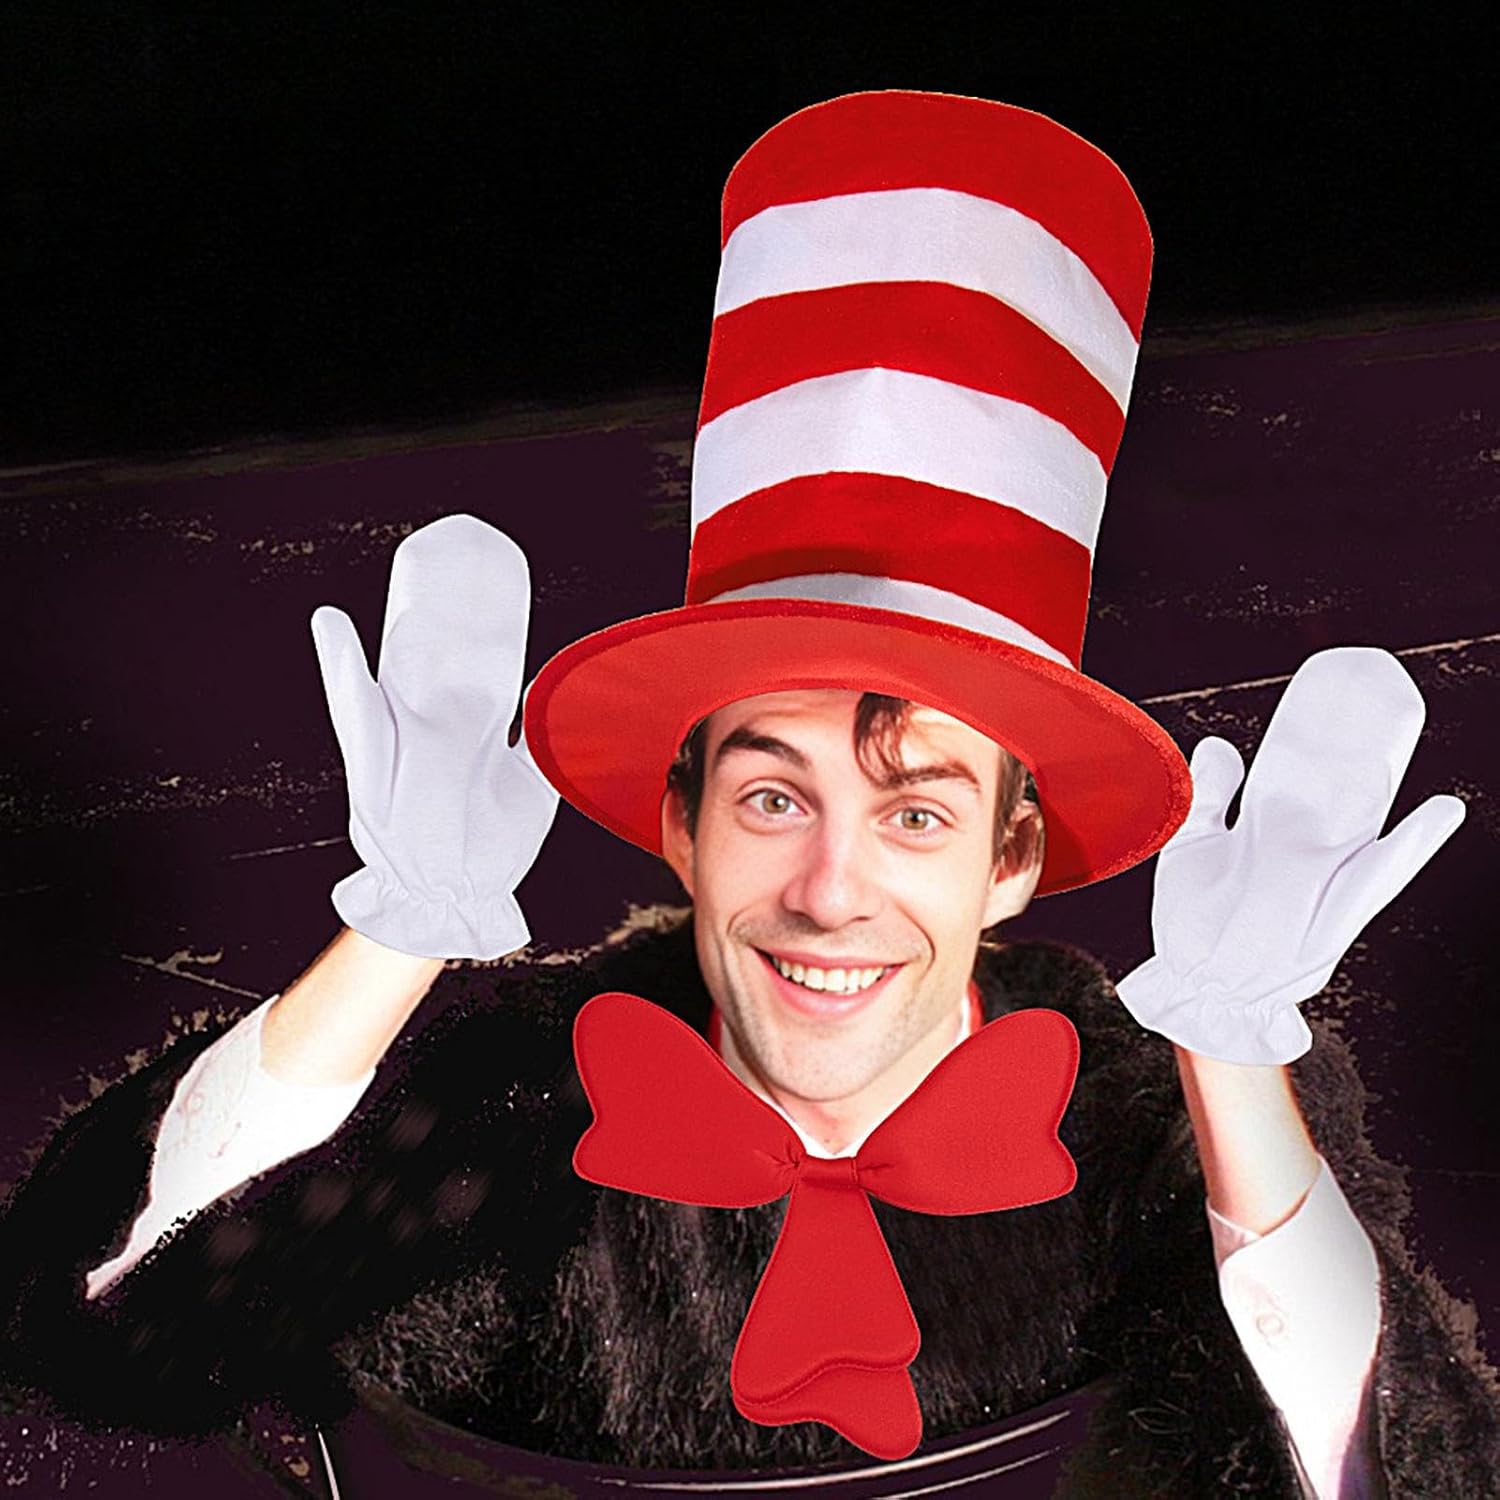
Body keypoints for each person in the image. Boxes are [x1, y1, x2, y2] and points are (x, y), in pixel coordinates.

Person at [2, 91, 1497, 1499]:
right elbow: (108, 1338)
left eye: (916, 814)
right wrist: (391, 942)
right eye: (774, 801)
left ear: (1012, 859)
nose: (830, 892)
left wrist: (1233, 1071)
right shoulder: (496, 1101)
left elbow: (1391, 1474)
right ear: (682, 826)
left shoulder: (1161, 1131)